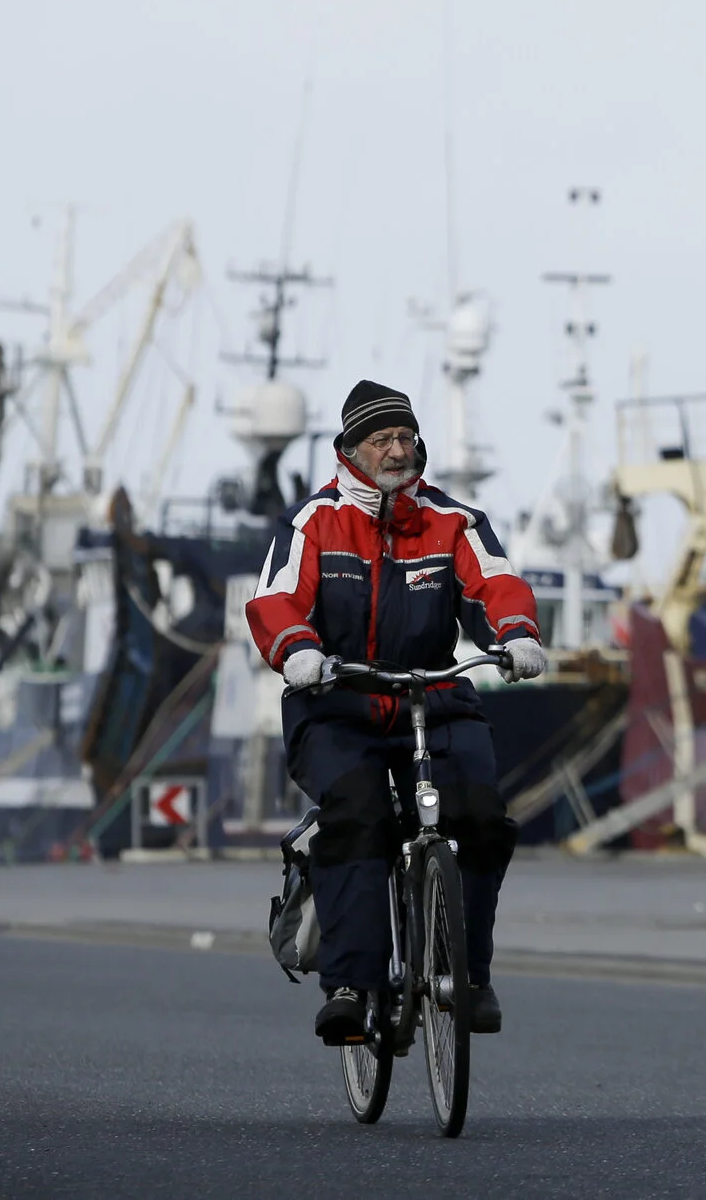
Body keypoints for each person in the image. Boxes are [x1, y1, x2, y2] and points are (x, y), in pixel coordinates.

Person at [246, 380, 548, 1044]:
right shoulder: (312, 523)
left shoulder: (453, 522)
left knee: (480, 815)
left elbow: (495, 583)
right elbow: (275, 601)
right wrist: (297, 649)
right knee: (357, 817)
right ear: (351, 450)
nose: (397, 449)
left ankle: (467, 975)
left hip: (432, 696)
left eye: (405, 436)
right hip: (336, 702)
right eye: (381, 438)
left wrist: (517, 633)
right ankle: (351, 986)